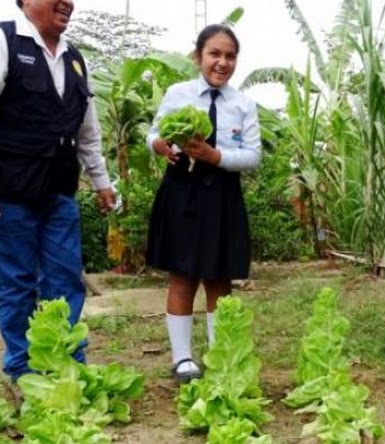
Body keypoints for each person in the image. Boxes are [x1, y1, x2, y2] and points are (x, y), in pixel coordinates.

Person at [0, 0, 114, 383]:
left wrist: (101, 181)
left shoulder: (74, 59)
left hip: (59, 195)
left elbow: (86, 131)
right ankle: (23, 374)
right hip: (7, 195)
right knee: (16, 286)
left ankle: (67, 365)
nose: (68, 3)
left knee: (65, 281)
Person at [145, 24, 262, 382]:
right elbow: (154, 133)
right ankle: (183, 360)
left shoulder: (243, 105)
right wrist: (160, 145)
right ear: (199, 57)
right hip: (182, 190)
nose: (222, 62)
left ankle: (218, 355)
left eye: (229, 56)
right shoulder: (178, 94)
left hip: (222, 194)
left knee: (218, 278)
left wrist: (215, 156)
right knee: (183, 275)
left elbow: (253, 156)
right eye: (214, 54)